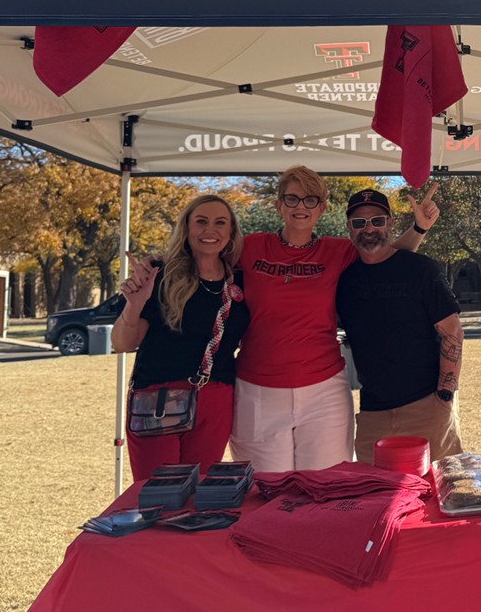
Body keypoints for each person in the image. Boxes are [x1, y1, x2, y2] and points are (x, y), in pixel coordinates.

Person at [229, 166, 440, 471]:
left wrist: (419, 229)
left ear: (323, 208)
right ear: (278, 206)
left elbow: (387, 261)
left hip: (323, 392)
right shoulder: (248, 248)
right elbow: (204, 260)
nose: (301, 207)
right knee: (266, 493)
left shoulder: (337, 251)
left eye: (310, 199)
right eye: (292, 199)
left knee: (325, 489)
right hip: (258, 390)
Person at [112, 194, 250, 481]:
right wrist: (134, 304)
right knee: (159, 495)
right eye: (201, 222)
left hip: (217, 398)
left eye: (220, 223)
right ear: (186, 229)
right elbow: (122, 343)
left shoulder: (240, 281)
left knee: (197, 496)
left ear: (231, 232)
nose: (210, 230)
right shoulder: (159, 276)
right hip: (159, 399)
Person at [336, 189, 463, 464]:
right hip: (372, 416)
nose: (369, 229)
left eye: (377, 221)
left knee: (439, 492)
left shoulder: (421, 270)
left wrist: (444, 396)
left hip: (426, 407)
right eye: (359, 223)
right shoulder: (344, 281)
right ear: (349, 228)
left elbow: (452, 330)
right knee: (375, 499)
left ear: (390, 223)